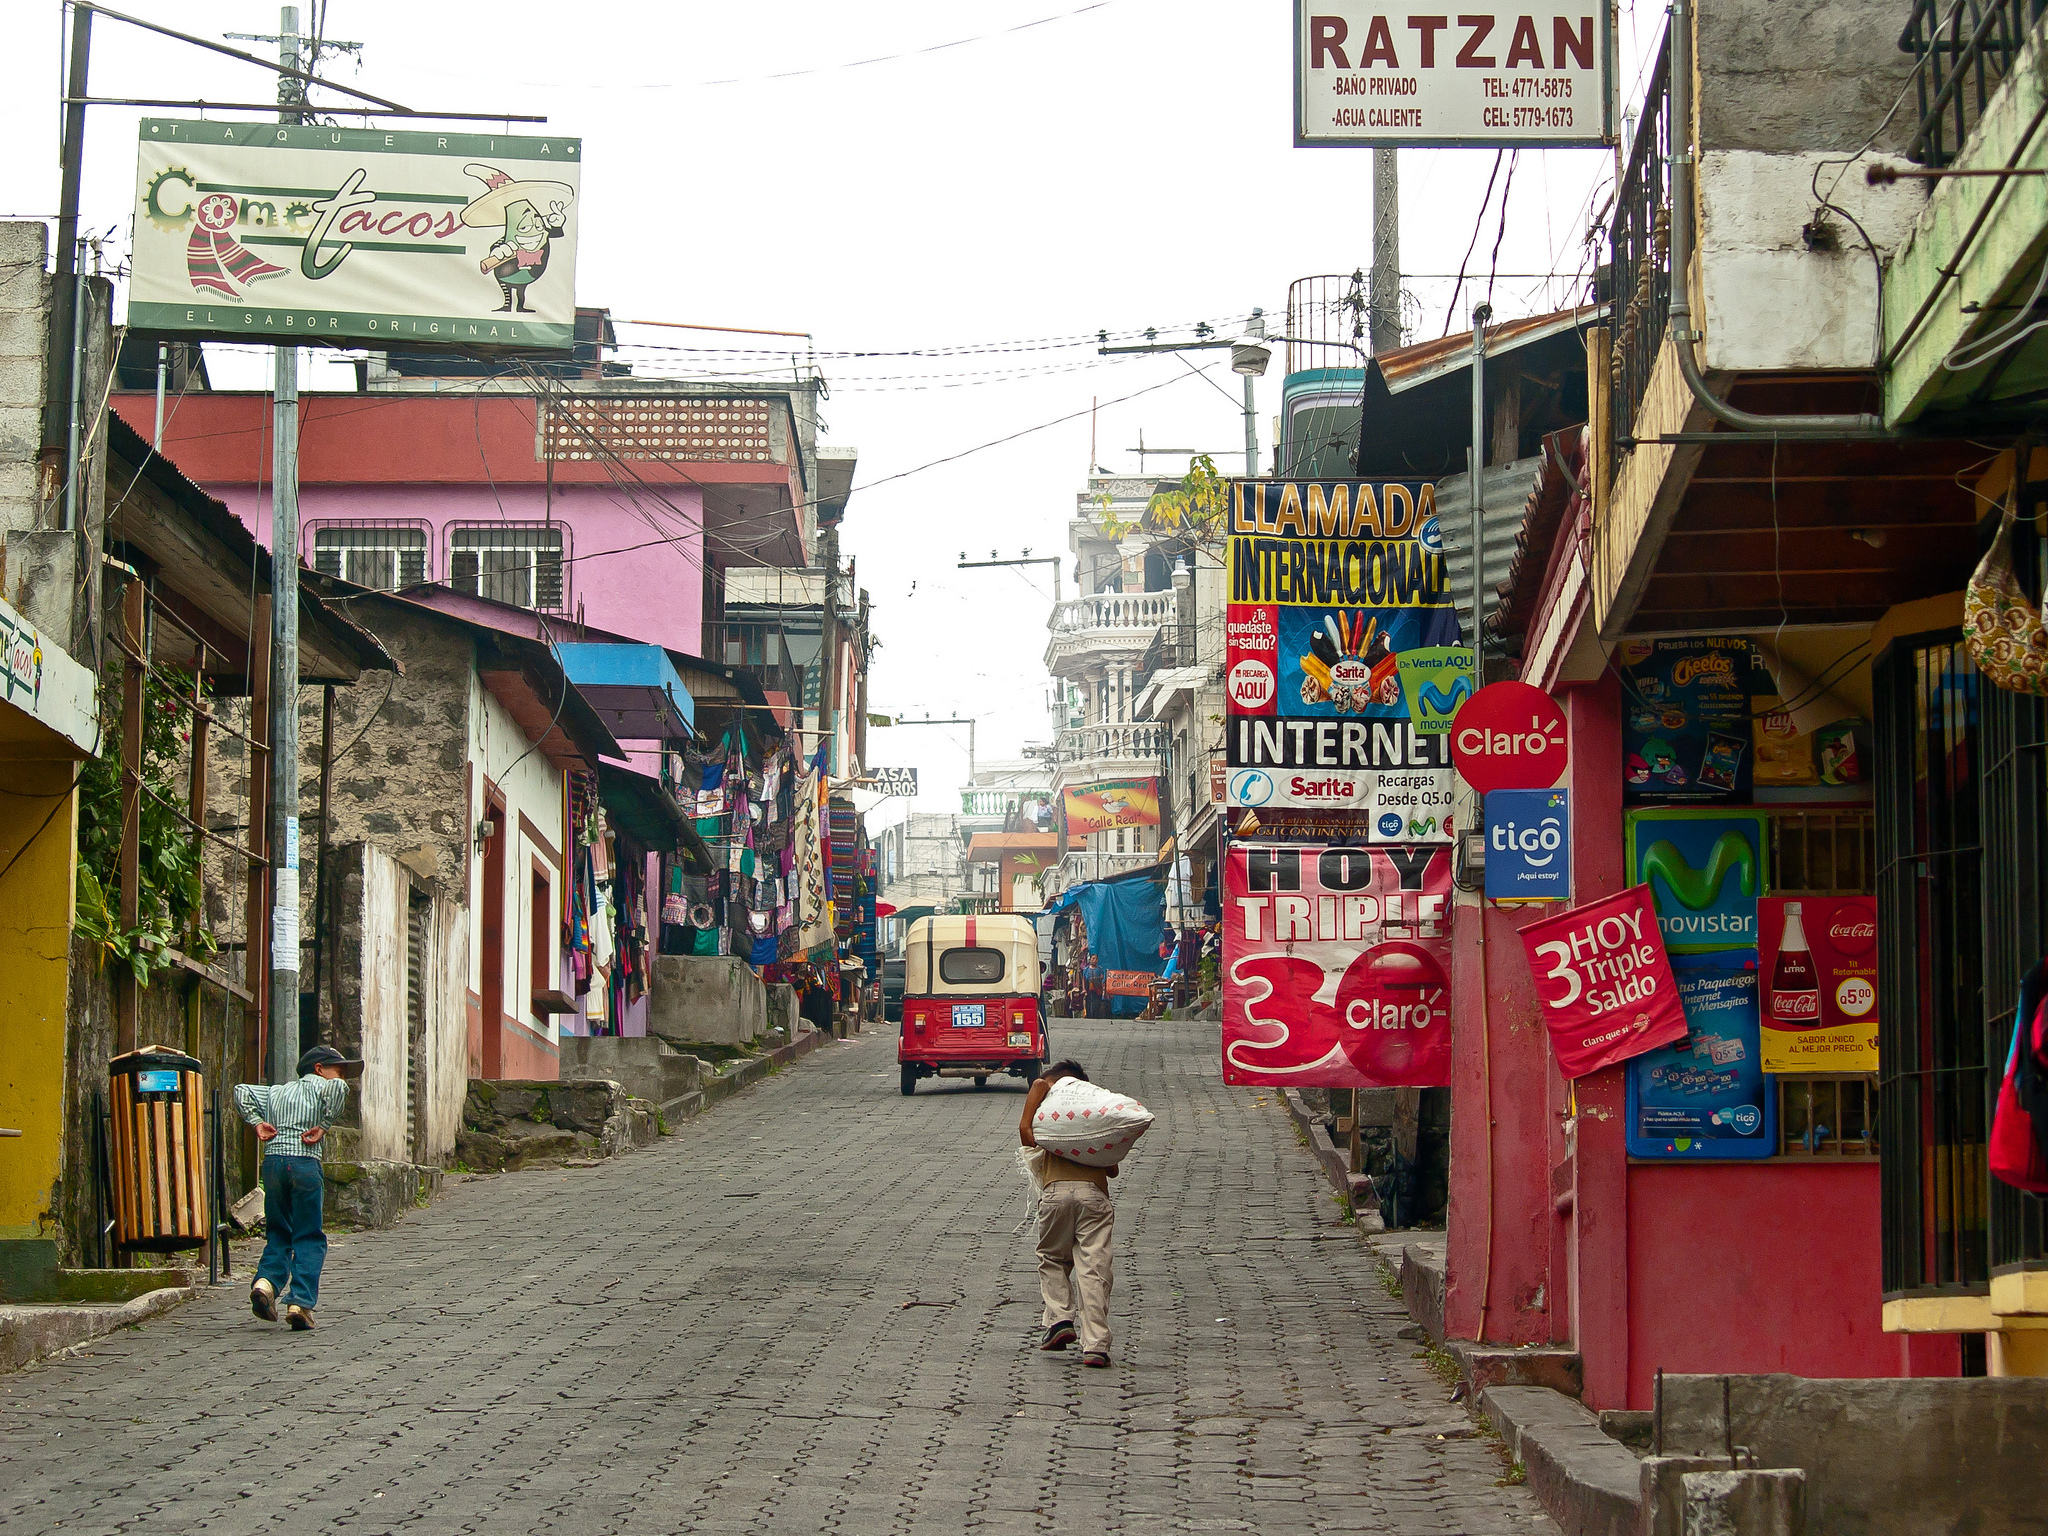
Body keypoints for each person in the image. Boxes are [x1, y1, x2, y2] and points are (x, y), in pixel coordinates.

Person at [233, 1045, 361, 1331]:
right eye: (338, 1071)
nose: (341, 1078)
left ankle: (266, 1284)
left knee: (279, 1231)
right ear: (319, 1069)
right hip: (304, 1164)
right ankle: (300, 1302)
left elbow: (241, 1090)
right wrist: (325, 1125)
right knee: (309, 1235)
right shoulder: (323, 1088)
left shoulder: (277, 1092)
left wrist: (257, 1123)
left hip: (274, 1165)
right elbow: (339, 1091)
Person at [1019, 1059, 1118, 1368]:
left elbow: (1027, 1134)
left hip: (1055, 1193)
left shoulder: (1051, 1115)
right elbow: (1112, 1169)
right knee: (1094, 1267)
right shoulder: (1091, 1120)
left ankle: (1060, 1319)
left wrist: (1041, 1091)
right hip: (1094, 1196)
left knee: (1051, 1257)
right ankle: (1096, 1345)